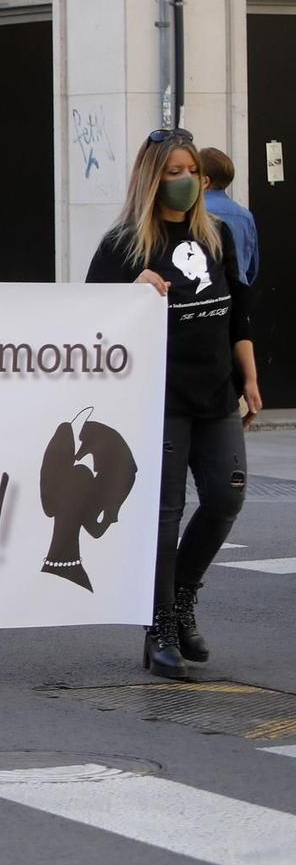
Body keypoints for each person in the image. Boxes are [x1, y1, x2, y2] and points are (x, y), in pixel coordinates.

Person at [86, 128, 261, 677]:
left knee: (224, 498)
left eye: (192, 172)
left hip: (217, 393)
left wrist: (250, 378)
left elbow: (239, 313)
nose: (185, 182)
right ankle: (158, 626)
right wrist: (128, 291)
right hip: (159, 395)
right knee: (163, 514)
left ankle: (183, 597)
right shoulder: (124, 245)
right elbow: (89, 317)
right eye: (173, 172)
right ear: (151, 178)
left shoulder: (217, 238)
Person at [199, 147, 260, 287]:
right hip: (237, 293)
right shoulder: (245, 216)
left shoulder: (194, 213)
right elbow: (251, 267)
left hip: (206, 296)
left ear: (204, 181)